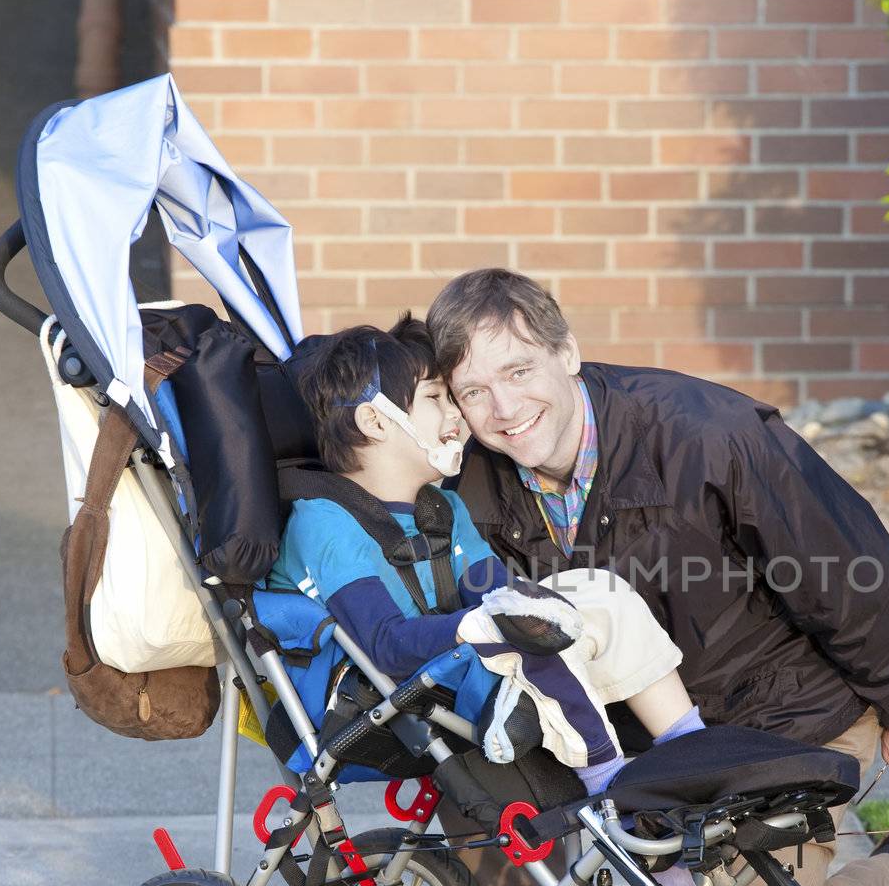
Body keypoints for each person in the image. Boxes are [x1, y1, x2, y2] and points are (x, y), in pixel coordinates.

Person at [396, 269, 889, 886]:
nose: (503, 409)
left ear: (567, 353)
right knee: (468, 753)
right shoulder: (468, 479)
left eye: (519, 370)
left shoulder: (709, 435)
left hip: (783, 721)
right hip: (625, 734)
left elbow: (853, 567)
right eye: (473, 391)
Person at [267, 324, 709, 810]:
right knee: (528, 636)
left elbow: (492, 588)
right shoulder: (325, 524)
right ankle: (618, 802)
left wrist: (524, 609)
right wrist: (480, 625)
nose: (457, 414)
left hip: (447, 669)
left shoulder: (440, 510)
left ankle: (694, 756)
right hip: (373, 705)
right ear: (376, 421)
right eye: (436, 397)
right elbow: (386, 645)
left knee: (597, 593)